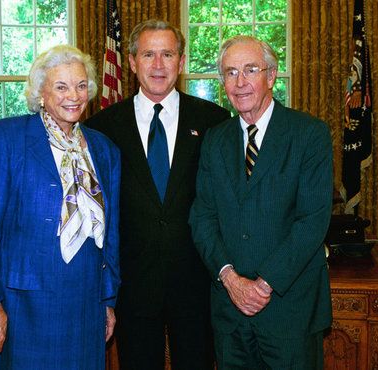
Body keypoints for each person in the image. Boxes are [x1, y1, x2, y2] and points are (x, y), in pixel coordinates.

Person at [85, 19, 230, 370]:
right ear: (132, 62)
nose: (158, 65)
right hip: (133, 286)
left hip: (197, 282)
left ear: (181, 62)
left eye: (168, 54)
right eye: (148, 54)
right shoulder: (101, 128)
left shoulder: (214, 121)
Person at [0, 44, 121, 369]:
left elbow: (112, 235)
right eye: (61, 86)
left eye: (81, 85)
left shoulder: (104, 149)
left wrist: (108, 300)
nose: (73, 95)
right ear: (40, 92)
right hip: (23, 305)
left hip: (85, 301)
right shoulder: (8, 138)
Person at [189, 35, 333, 370]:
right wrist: (231, 279)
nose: (239, 83)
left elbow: (312, 220)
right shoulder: (215, 139)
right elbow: (203, 217)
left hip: (289, 311)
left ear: (271, 75)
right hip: (230, 312)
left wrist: (263, 285)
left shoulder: (309, 134)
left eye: (250, 70)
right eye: (230, 73)